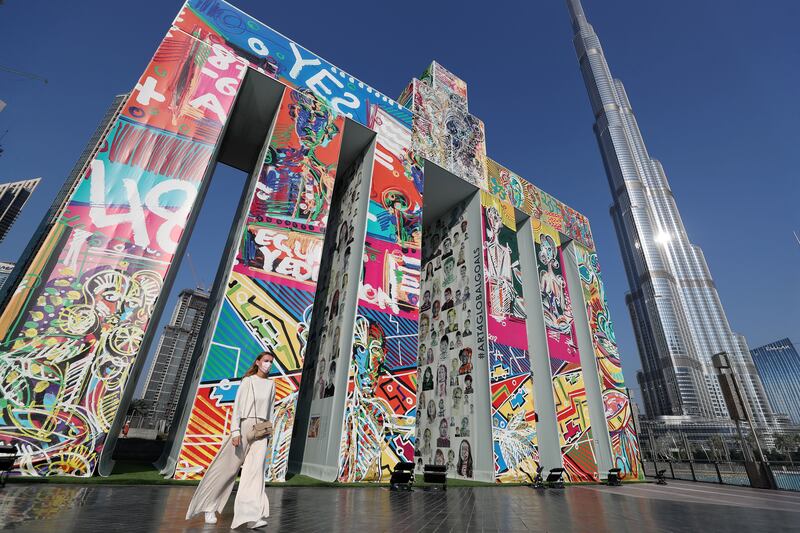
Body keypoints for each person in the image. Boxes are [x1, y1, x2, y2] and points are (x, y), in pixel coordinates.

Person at [186, 351, 276, 529]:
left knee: (255, 474)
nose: (268, 364)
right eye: (266, 361)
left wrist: (269, 431)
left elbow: (271, 409)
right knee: (228, 470)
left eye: (271, 362)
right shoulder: (248, 381)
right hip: (243, 427)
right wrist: (235, 431)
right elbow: (237, 407)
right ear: (257, 362)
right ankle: (208, 507)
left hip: (261, 431)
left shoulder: (271, 384)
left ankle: (251, 516)